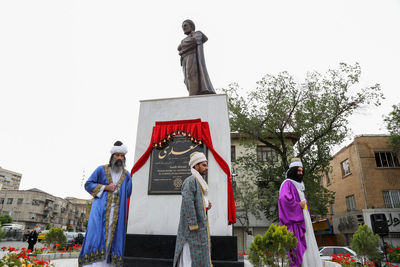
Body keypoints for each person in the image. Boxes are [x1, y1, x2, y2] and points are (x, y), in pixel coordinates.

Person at [78, 141, 132, 267]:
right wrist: (105, 187)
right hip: (99, 213)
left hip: (118, 214)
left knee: (114, 240)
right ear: (112, 156)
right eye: (117, 155)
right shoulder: (101, 169)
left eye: (121, 155)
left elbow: (128, 193)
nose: (119, 158)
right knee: (96, 237)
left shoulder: (127, 175)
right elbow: (88, 184)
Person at [278, 158, 322, 267]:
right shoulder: (287, 183)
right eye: (298, 171)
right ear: (293, 171)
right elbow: (283, 199)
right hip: (296, 217)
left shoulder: (300, 184)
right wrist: (298, 206)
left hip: (304, 215)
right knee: (299, 241)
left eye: (302, 171)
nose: (301, 173)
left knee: (309, 238)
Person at [173, 152, 213, 267]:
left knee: (199, 256)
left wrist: (206, 206)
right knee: (189, 256)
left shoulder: (199, 181)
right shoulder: (190, 181)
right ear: (196, 166)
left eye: (206, 165)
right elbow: (188, 203)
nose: (207, 168)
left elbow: (197, 202)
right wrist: (193, 224)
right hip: (191, 229)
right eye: (204, 165)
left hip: (199, 228)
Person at [178, 19, 216, 96]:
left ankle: (193, 95)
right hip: (184, 59)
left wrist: (183, 46)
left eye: (185, 25)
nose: (183, 27)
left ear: (191, 26)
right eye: (182, 26)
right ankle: (192, 95)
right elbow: (179, 47)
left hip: (192, 56)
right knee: (186, 80)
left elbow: (196, 40)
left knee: (191, 75)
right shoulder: (184, 39)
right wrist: (184, 45)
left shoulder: (197, 33)